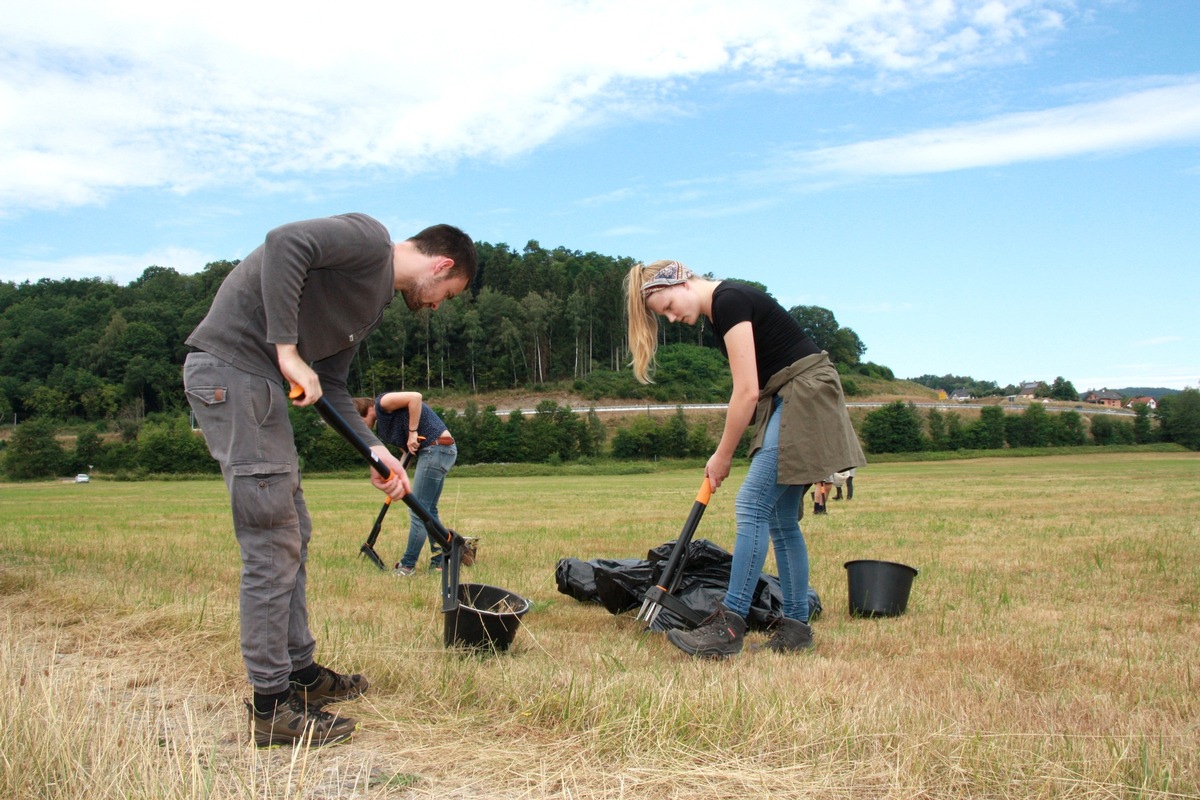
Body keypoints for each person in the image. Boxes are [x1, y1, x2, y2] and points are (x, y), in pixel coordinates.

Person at [183, 214, 476, 746]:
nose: (436, 306)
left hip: (261, 386)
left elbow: (334, 387)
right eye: (447, 295)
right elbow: (284, 242)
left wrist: (377, 452)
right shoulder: (368, 239)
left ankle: (300, 675)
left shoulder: (370, 303)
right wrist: (287, 350)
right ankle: (272, 708)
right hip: (233, 372)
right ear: (442, 264)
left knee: (292, 531)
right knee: (272, 542)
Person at [625, 260, 865, 658]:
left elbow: (747, 392)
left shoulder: (729, 301)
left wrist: (723, 455)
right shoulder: (721, 313)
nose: (672, 317)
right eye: (663, 316)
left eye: (667, 306)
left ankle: (729, 626)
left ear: (680, 279)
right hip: (790, 395)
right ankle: (796, 628)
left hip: (802, 393)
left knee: (752, 503)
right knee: (780, 518)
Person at [355, 392, 457, 575]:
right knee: (428, 510)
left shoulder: (382, 403)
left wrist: (412, 433)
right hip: (438, 451)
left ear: (363, 411)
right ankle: (441, 560)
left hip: (436, 448)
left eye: (357, 422)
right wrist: (395, 477)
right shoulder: (383, 430)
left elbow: (415, 397)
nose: (360, 428)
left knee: (418, 511)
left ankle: (407, 566)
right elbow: (406, 454)